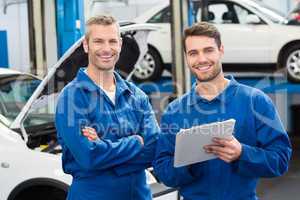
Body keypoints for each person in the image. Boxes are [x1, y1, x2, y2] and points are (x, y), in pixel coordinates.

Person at [153, 22, 292, 200]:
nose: (202, 59)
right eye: (193, 53)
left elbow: (280, 160)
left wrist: (242, 153)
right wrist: (186, 163)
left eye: (208, 50)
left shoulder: (254, 101)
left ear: (221, 50)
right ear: (187, 58)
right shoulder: (175, 111)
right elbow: (163, 171)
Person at [55, 15, 159, 200]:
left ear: (120, 44)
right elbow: (89, 156)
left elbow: (153, 149)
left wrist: (103, 147)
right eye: (98, 41)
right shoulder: (71, 98)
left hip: (138, 195)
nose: (106, 48)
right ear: (86, 45)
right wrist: (136, 142)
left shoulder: (137, 96)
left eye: (112, 41)